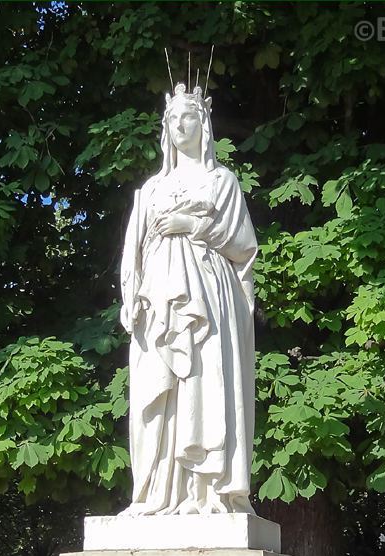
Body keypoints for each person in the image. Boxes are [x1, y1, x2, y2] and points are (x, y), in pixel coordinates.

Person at [120, 80, 258, 515]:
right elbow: (134, 248)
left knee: (205, 381)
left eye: (190, 116)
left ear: (205, 123)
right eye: (173, 118)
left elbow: (243, 246)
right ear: (166, 127)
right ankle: (157, 492)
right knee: (155, 391)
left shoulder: (222, 181)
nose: (181, 124)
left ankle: (207, 493)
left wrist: (191, 225)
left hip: (209, 297)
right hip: (156, 302)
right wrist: (130, 294)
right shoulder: (151, 189)